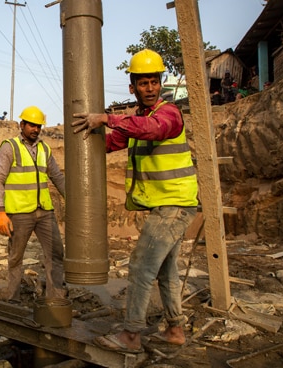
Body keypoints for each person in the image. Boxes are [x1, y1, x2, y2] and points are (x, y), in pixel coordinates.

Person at [71, 49, 198, 353]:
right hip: (167, 205)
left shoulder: (168, 114)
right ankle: (175, 329)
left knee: (141, 266)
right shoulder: (140, 119)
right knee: (166, 272)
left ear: (160, 82)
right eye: (143, 83)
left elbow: (152, 130)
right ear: (133, 87)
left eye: (154, 81)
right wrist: (86, 140)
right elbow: (112, 141)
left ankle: (131, 335)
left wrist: (109, 118)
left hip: (174, 206)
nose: (150, 88)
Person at [0, 106, 67, 302]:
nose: (35, 129)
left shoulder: (44, 149)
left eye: (38, 126)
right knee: (16, 258)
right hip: (19, 213)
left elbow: (57, 177)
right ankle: (12, 299)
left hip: (44, 212)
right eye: (31, 125)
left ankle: (55, 298)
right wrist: (1, 212)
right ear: (22, 125)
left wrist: (73, 200)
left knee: (56, 254)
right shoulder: (10, 147)